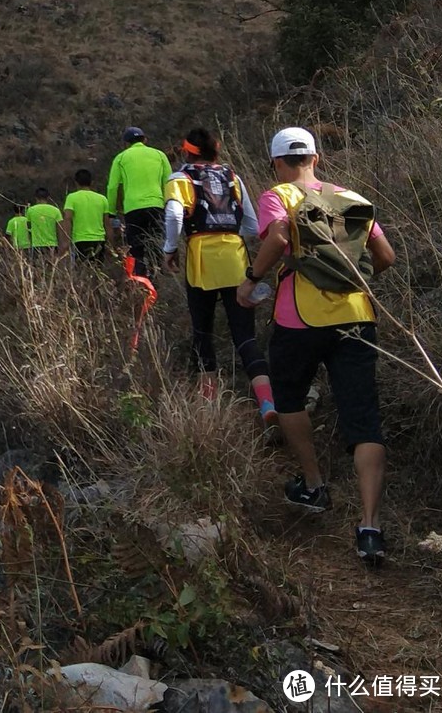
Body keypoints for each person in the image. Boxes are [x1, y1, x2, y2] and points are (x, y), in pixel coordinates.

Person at [237, 126, 395, 567]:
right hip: (357, 317)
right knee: (363, 419)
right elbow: (386, 257)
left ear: (276, 162)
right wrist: (351, 282)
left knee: (288, 397)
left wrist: (251, 281)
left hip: (298, 318)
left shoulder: (279, 195)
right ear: (316, 158)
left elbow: (280, 237)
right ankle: (370, 527)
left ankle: (314, 485)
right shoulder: (351, 198)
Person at [163, 128, 275, 430]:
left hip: (201, 260)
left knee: (203, 333)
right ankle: (267, 405)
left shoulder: (180, 179)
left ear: (188, 152)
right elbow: (251, 224)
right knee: (246, 336)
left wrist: (169, 248)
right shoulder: (233, 177)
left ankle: (209, 409)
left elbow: (174, 215)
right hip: (236, 258)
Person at [106, 127, 171, 279]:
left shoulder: (121, 158)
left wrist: (111, 212)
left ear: (126, 144)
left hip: (133, 209)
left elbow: (112, 187)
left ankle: (141, 283)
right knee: (157, 244)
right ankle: (159, 279)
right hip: (157, 206)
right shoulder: (159, 155)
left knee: (136, 249)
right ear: (145, 140)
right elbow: (169, 182)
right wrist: (168, 204)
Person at [62, 168, 112, 262]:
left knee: (82, 271)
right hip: (99, 241)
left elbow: (67, 219)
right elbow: (107, 224)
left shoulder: (71, 198)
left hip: (80, 241)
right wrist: (112, 244)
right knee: (97, 270)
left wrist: (66, 241)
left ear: (76, 182)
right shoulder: (102, 199)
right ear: (91, 182)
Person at [25, 186, 63, 256]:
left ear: (36, 197)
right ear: (48, 198)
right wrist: (61, 244)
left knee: (37, 266)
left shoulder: (30, 210)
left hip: (36, 245)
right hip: (52, 245)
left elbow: (28, 228)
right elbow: (60, 229)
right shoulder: (56, 210)